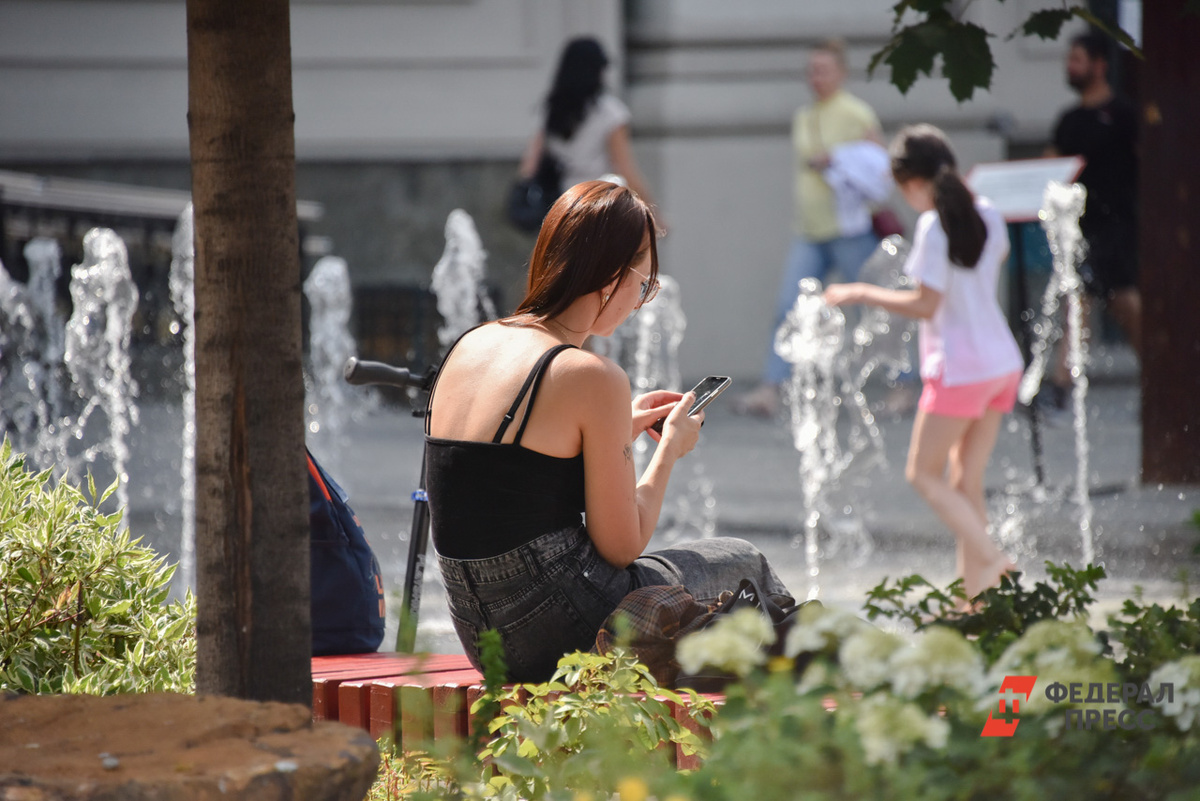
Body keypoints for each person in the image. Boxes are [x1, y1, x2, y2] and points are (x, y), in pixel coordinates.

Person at [425, 180, 792, 681]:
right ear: (612, 276)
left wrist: (618, 427)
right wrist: (670, 451)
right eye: (644, 285)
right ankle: (788, 727)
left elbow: (504, 483)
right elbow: (621, 547)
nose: (640, 301)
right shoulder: (587, 375)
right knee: (745, 564)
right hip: (564, 629)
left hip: (481, 635)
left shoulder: (471, 345)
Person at [823, 125, 1021, 600]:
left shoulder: (935, 223)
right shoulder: (988, 213)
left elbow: (926, 305)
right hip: (1000, 363)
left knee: (922, 473)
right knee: (964, 481)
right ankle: (973, 600)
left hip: (960, 368)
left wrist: (859, 292)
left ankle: (993, 561)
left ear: (912, 182)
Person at [736, 39, 885, 418]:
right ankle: (772, 388)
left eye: (823, 70)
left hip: (849, 229)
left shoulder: (856, 113)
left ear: (841, 73)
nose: (815, 78)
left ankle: (902, 385)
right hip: (810, 230)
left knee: (875, 308)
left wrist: (837, 159)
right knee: (789, 306)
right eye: (811, 70)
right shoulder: (804, 116)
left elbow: (879, 167)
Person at [1043, 31, 1141, 413]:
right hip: (1079, 227)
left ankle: (1161, 375)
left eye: (1078, 60)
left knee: (1124, 304)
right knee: (1079, 299)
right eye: (1070, 60)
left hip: (1118, 223)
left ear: (1100, 64)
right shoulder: (1069, 120)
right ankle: (1059, 386)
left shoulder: (1125, 115)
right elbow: (1050, 166)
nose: (1071, 67)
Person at [517, 37, 658, 214]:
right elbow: (625, 168)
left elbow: (529, 167)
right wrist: (652, 212)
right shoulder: (610, 112)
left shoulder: (551, 109)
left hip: (562, 204)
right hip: (600, 204)